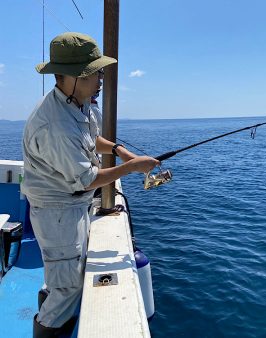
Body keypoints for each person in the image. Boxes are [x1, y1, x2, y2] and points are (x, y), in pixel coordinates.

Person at [21, 32, 159, 337]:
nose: (100, 79)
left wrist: (120, 150)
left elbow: (91, 138)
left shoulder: (76, 104)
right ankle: (48, 324)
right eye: (95, 73)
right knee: (67, 287)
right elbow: (87, 181)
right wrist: (133, 167)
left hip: (71, 206)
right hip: (58, 211)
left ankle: (49, 302)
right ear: (71, 77)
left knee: (63, 273)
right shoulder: (55, 125)